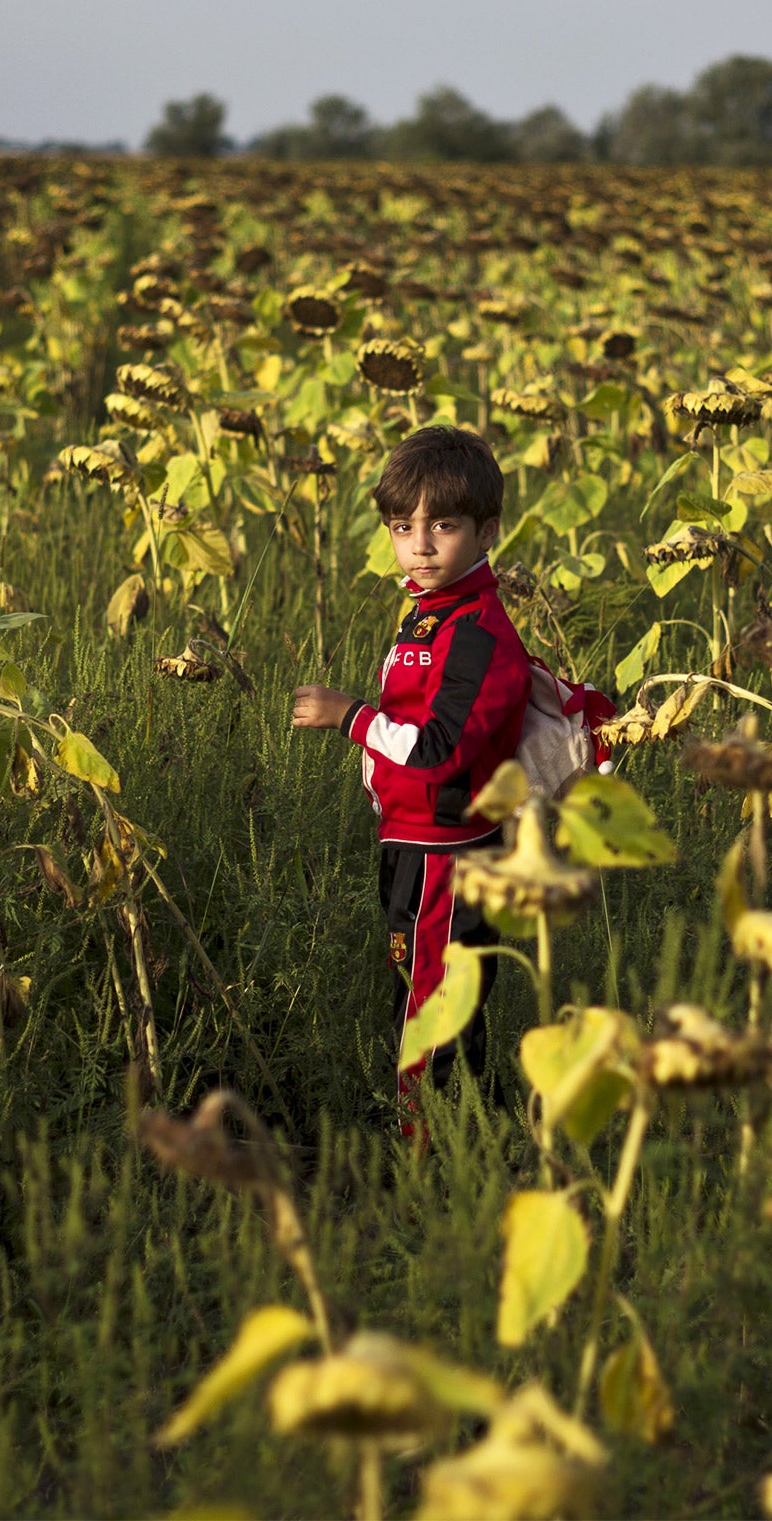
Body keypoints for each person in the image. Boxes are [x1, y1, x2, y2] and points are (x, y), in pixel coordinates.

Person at [291, 424, 530, 1110]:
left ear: (487, 532)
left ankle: (423, 1152)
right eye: (402, 526)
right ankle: (471, 1135)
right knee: (436, 992)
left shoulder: (478, 633)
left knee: (432, 1003)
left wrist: (349, 717)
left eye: (443, 526)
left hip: (445, 854)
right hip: (415, 844)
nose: (419, 546)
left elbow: (438, 751)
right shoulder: (432, 614)